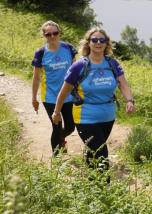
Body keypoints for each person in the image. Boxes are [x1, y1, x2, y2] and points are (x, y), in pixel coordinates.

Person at [52, 28, 135, 178]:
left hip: (107, 116)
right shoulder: (79, 65)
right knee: (102, 153)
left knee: (94, 152)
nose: (98, 43)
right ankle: (106, 191)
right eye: (94, 40)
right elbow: (64, 91)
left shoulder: (113, 64)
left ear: (106, 44)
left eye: (102, 40)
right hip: (86, 117)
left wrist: (129, 100)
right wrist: (57, 112)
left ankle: (91, 186)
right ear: (88, 43)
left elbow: (123, 85)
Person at [31, 20, 77, 156]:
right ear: (44, 35)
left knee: (70, 127)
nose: (52, 36)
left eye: (55, 33)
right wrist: (34, 98)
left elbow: (76, 72)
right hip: (50, 96)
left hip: (68, 95)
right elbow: (36, 77)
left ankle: (60, 139)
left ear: (59, 33)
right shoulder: (40, 53)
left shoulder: (69, 48)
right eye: (48, 34)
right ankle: (57, 161)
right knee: (56, 127)